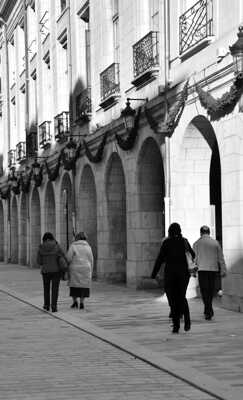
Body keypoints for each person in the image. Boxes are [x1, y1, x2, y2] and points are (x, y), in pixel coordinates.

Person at [151, 222, 195, 334]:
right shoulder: (184, 241)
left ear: (169, 231)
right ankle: (187, 320)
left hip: (171, 275)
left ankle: (176, 326)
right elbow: (192, 254)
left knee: (172, 299)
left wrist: (153, 274)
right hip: (184, 275)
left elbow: (159, 259)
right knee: (181, 297)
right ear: (179, 230)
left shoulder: (166, 243)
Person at [193, 225, 227, 320]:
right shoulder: (215, 243)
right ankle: (208, 309)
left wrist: (193, 272)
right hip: (213, 270)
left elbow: (194, 259)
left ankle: (208, 310)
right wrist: (223, 269)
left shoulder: (196, 243)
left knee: (204, 291)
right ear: (209, 232)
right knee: (211, 291)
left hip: (202, 270)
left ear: (200, 233)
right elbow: (221, 258)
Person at [37, 232, 65, 312]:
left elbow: (39, 261)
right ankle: (54, 306)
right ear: (52, 238)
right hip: (56, 271)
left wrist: (44, 261)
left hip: (45, 271)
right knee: (55, 289)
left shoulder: (41, 247)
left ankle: (46, 305)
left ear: (44, 239)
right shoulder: (57, 246)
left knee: (46, 288)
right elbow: (63, 256)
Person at [66, 231, 93, 310]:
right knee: (84, 286)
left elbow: (69, 258)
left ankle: (75, 302)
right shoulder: (88, 247)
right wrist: (91, 269)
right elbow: (91, 259)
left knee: (74, 286)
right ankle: (82, 302)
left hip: (75, 268)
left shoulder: (73, 246)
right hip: (86, 268)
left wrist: (68, 266)